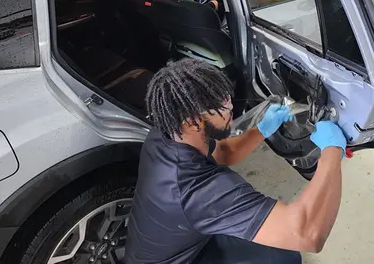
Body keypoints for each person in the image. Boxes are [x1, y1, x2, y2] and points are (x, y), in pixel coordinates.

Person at [125, 58, 347, 264]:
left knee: (282, 255)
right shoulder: (196, 190)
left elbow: (224, 153)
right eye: (219, 106)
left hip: (183, 242)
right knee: (287, 255)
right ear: (192, 123)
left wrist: (262, 129)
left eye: (225, 97)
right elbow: (308, 233)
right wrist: (332, 150)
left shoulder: (166, 132)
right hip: (182, 260)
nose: (230, 106)